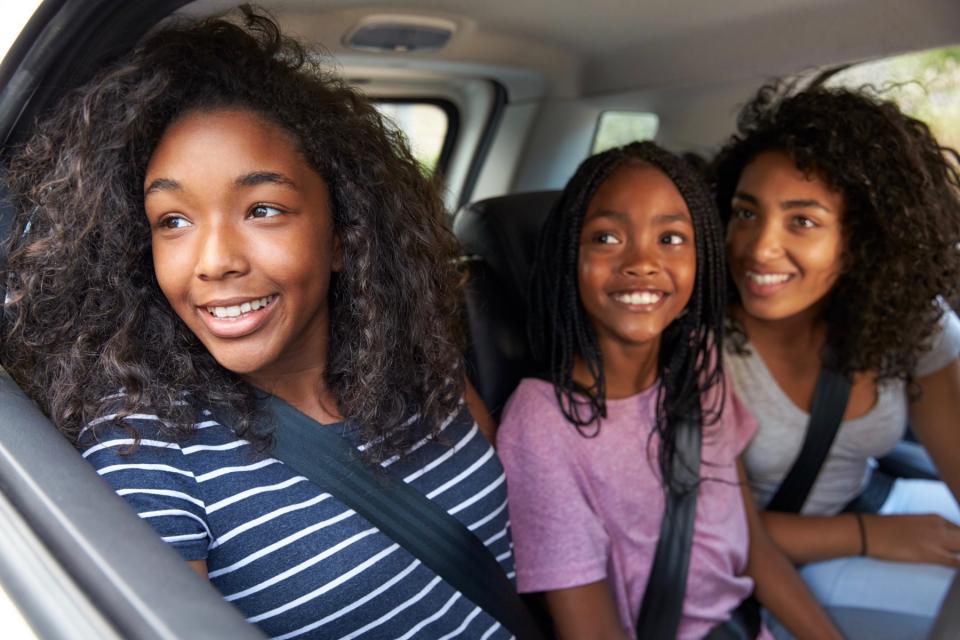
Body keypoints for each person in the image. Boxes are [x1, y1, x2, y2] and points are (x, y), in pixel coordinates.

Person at [0, 9, 512, 639]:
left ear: (343, 238)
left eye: (263, 209)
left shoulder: (417, 356)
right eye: (173, 221)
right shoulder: (149, 452)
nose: (214, 262)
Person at [496, 141, 840, 639]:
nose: (642, 261)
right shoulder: (542, 423)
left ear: (701, 257)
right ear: (568, 256)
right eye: (607, 237)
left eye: (672, 238)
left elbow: (752, 547)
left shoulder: (697, 361)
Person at [714, 82, 960, 638]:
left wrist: (883, 530)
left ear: (864, 240)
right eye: (746, 213)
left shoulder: (909, 323)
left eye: (801, 221)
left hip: (881, 509)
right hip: (766, 569)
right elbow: (707, 528)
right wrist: (869, 536)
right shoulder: (705, 344)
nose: (758, 248)